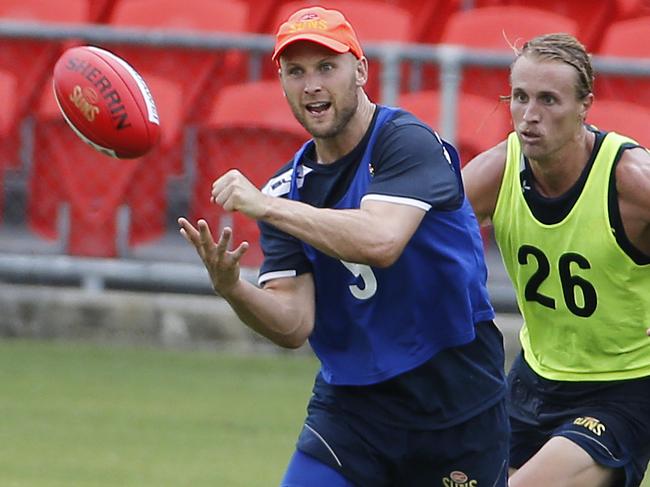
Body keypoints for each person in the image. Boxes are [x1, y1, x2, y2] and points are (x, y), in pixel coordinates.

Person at [178, 6, 509, 487]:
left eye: (326, 67)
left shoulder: (406, 143)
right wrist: (233, 289)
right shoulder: (282, 191)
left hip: (453, 396)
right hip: (353, 406)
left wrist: (270, 209)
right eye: (296, 71)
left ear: (361, 71)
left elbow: (381, 240)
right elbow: (293, 324)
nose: (311, 84)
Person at [462, 33, 650, 487]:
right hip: (533, 379)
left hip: (624, 387)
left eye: (549, 100)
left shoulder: (629, 180)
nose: (530, 116)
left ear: (585, 104)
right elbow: (409, 233)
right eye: (520, 97)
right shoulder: (497, 172)